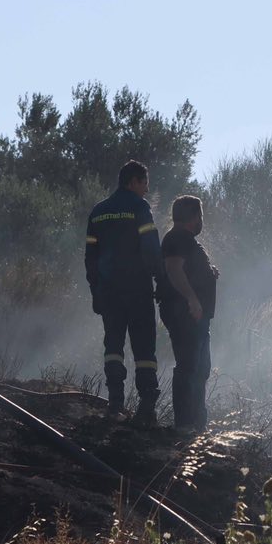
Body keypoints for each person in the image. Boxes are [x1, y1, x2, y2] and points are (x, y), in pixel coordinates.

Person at [85, 160, 163, 423]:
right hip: (138, 290)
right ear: (133, 181)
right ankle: (147, 405)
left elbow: (90, 257)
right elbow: (151, 249)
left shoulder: (98, 211)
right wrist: (161, 280)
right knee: (144, 348)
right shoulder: (140, 207)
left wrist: (96, 290)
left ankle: (115, 403)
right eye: (144, 183)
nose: (146, 189)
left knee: (113, 345)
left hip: (109, 292)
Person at [158, 194, 218, 434]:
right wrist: (192, 299)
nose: (202, 220)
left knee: (200, 368)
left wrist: (208, 272)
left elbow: (187, 269)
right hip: (185, 314)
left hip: (196, 316)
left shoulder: (186, 241)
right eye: (200, 215)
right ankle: (184, 425)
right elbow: (174, 269)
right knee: (189, 367)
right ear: (193, 217)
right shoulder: (178, 238)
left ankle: (197, 424)